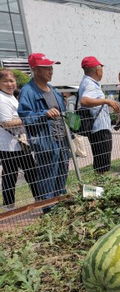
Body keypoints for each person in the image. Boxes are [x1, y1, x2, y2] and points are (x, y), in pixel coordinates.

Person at [18, 53, 69, 203]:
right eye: (46, 68)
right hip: (45, 142)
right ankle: (48, 207)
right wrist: (44, 113)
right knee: (47, 176)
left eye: (51, 67)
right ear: (35, 70)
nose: (50, 71)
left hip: (60, 138)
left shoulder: (52, 89)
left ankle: (61, 202)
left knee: (61, 172)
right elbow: (25, 116)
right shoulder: (28, 91)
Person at [0, 69, 40, 209]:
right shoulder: (2, 99)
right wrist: (28, 119)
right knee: (22, 174)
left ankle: (10, 204)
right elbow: (6, 123)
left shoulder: (10, 96)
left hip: (17, 143)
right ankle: (38, 200)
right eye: (5, 81)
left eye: (12, 80)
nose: (10, 84)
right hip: (9, 145)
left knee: (15, 174)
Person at [78, 56, 120, 173]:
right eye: (101, 69)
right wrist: (107, 101)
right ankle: (102, 187)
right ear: (98, 70)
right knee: (103, 163)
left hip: (97, 128)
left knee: (101, 161)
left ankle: (101, 186)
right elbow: (84, 101)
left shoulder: (88, 83)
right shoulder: (90, 84)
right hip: (99, 129)